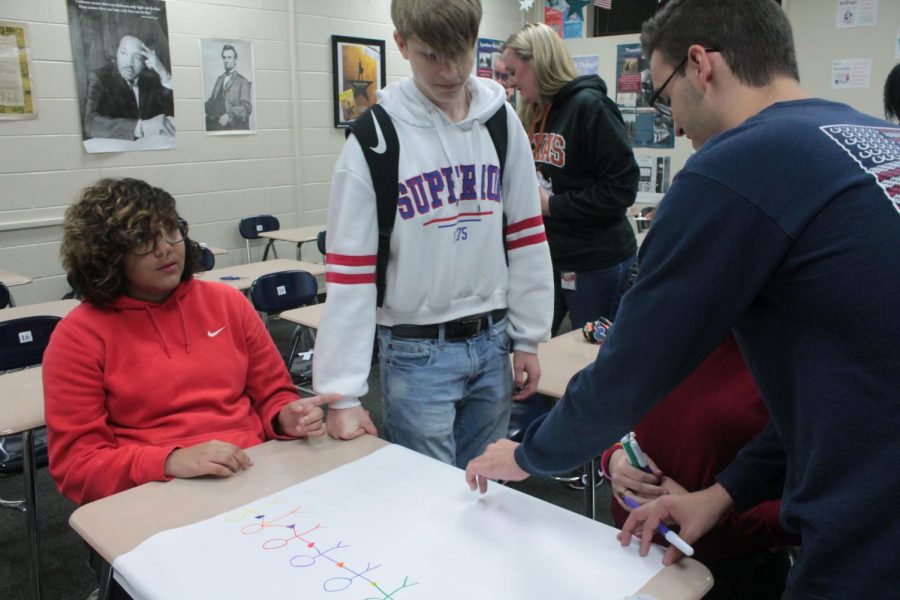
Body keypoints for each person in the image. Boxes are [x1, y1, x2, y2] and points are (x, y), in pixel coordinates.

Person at [465, 1, 900, 598]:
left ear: (701, 66)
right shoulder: (872, 137)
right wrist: (725, 494)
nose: (679, 126)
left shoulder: (737, 164)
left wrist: (526, 454)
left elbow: (630, 372)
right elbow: (841, 389)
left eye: (666, 98)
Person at [313, 0, 553, 469]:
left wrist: (528, 337)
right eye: (430, 56)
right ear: (401, 44)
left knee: (487, 490)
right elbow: (350, 274)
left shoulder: (502, 122)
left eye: (460, 53)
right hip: (414, 351)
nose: (448, 70)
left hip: (493, 339)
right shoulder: (374, 138)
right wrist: (340, 395)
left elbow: (526, 236)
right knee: (425, 502)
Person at [44, 178, 338, 507]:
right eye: (143, 241)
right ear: (106, 256)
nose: (165, 248)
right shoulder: (78, 336)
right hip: (153, 492)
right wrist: (168, 461)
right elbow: (77, 466)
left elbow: (273, 393)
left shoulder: (227, 302)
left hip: (252, 471)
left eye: (171, 231)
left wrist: (284, 416)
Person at [601, 333, 796, 600]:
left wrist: (719, 511)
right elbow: (619, 416)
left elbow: (823, 499)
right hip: (630, 552)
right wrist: (614, 458)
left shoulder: (792, 356)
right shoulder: (662, 330)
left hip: (726, 572)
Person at [502, 23, 639, 336]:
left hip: (596, 262)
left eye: (514, 71)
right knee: (538, 350)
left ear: (536, 61)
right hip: (551, 258)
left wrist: (552, 205)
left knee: (589, 359)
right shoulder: (534, 111)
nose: (511, 82)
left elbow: (620, 191)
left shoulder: (590, 107)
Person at [83, 34, 175, 140]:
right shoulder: (99, 78)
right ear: (116, 53)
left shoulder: (150, 79)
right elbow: (90, 124)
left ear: (146, 61)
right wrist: (141, 127)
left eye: (137, 57)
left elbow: (174, 113)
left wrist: (163, 73)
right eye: (123, 53)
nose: (129, 63)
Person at [205, 44, 253, 131]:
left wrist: (229, 114)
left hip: (231, 125)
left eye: (229, 57)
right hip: (212, 122)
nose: (226, 60)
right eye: (224, 57)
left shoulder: (243, 81)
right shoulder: (219, 79)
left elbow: (247, 108)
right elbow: (212, 100)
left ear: (236, 60)